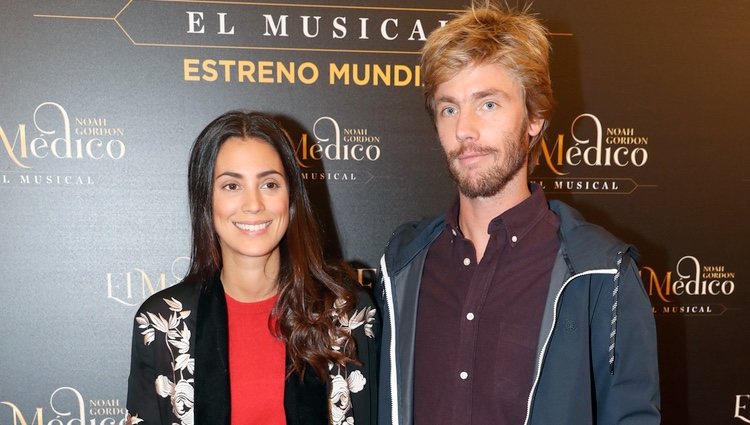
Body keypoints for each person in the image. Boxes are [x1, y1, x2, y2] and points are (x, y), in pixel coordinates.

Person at [374, 3, 660, 425]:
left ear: (535, 117)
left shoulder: (600, 273)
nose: (464, 130)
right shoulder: (401, 266)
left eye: (488, 104)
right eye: (448, 108)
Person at [126, 111, 379, 425]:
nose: (254, 204)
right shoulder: (162, 322)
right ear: (206, 200)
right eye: (232, 186)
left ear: (291, 197)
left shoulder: (347, 314)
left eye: (270, 184)